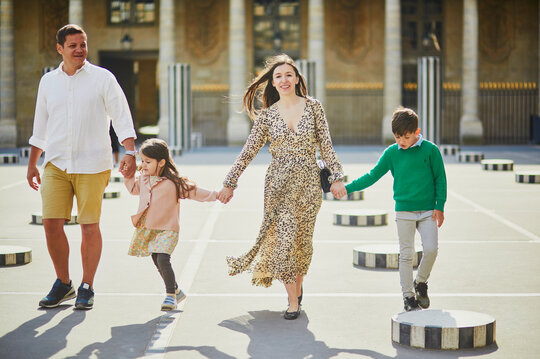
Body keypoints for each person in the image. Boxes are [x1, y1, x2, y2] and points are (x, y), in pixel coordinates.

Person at [217, 54, 347, 320]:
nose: (284, 79)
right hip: (278, 184)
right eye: (278, 76)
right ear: (272, 84)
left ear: (297, 79)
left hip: (309, 183)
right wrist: (230, 183)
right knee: (285, 240)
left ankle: (296, 287)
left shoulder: (313, 107)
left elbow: (326, 145)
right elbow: (248, 151)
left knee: (303, 242)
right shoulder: (267, 116)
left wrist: (337, 177)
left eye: (289, 75)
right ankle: (292, 301)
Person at [26, 24, 137, 310]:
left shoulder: (103, 78)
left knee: (89, 226)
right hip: (56, 162)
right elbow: (41, 125)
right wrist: (32, 163)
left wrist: (130, 151)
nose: (79, 50)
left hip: (93, 163)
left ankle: (87, 286)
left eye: (83, 44)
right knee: (51, 223)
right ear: (59, 48)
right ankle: (64, 283)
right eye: (73, 45)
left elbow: (121, 115)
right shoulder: (48, 82)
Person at [342, 107, 447, 312]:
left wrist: (439, 206)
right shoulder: (392, 153)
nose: (401, 141)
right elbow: (372, 175)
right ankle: (408, 296)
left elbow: (440, 179)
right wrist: (347, 188)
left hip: (427, 211)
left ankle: (421, 283)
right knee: (406, 254)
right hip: (404, 211)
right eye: (398, 137)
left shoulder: (431, 150)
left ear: (417, 132)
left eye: (406, 137)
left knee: (432, 249)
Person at [124, 138, 218, 311]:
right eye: (142, 161)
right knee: (156, 259)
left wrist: (216, 195)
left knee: (162, 258)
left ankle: (170, 296)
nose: (143, 165)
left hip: (168, 228)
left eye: (148, 162)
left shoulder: (173, 182)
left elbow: (194, 192)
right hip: (149, 227)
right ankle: (176, 289)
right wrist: (128, 176)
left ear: (161, 162)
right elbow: (132, 189)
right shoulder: (144, 179)